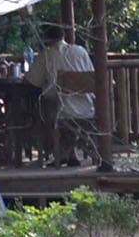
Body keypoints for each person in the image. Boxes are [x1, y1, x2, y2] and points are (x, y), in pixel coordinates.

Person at [26, 32, 97, 163]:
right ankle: (70, 153)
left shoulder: (46, 55)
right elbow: (91, 76)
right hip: (89, 109)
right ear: (63, 36)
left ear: (46, 39)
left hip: (63, 111)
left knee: (44, 107)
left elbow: (34, 81)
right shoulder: (80, 51)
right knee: (56, 107)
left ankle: (60, 151)